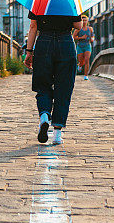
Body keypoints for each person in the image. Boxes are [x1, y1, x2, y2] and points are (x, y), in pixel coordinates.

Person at [24, 11, 83, 145]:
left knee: (43, 84)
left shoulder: (38, 0)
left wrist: (29, 52)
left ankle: (44, 116)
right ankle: (57, 133)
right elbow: (78, 26)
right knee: (64, 88)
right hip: (66, 42)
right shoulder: (69, 0)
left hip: (44, 42)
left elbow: (33, 27)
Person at [72, 15, 95, 80]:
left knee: (87, 59)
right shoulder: (78, 29)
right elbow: (73, 37)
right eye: (83, 20)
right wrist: (81, 37)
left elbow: (92, 36)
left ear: (87, 21)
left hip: (87, 45)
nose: (84, 22)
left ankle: (86, 75)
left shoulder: (90, 29)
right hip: (80, 46)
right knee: (81, 61)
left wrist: (92, 39)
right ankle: (79, 65)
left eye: (85, 20)